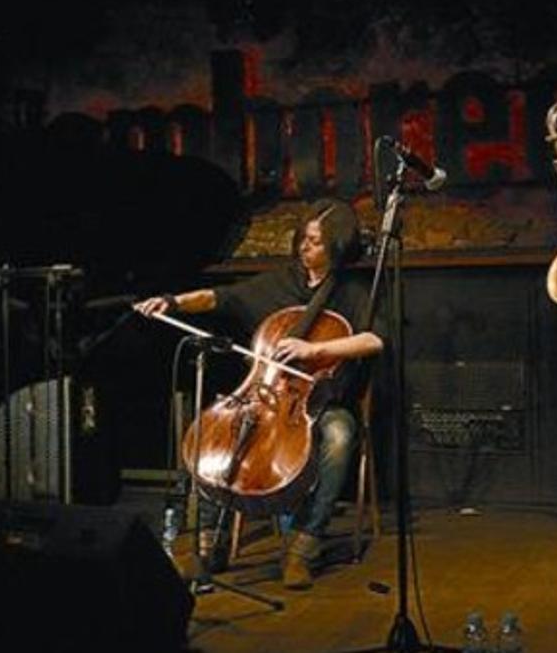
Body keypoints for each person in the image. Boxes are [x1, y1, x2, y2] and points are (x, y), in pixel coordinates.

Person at [135, 199, 383, 589]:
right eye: (303, 238)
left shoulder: (352, 293)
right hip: (266, 397)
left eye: (315, 242)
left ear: (337, 246)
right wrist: (173, 301)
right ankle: (207, 545)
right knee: (217, 434)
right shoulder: (281, 281)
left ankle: (304, 545)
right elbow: (222, 298)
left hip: (322, 402)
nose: (305, 247)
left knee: (340, 435)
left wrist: (315, 351)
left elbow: (375, 339)